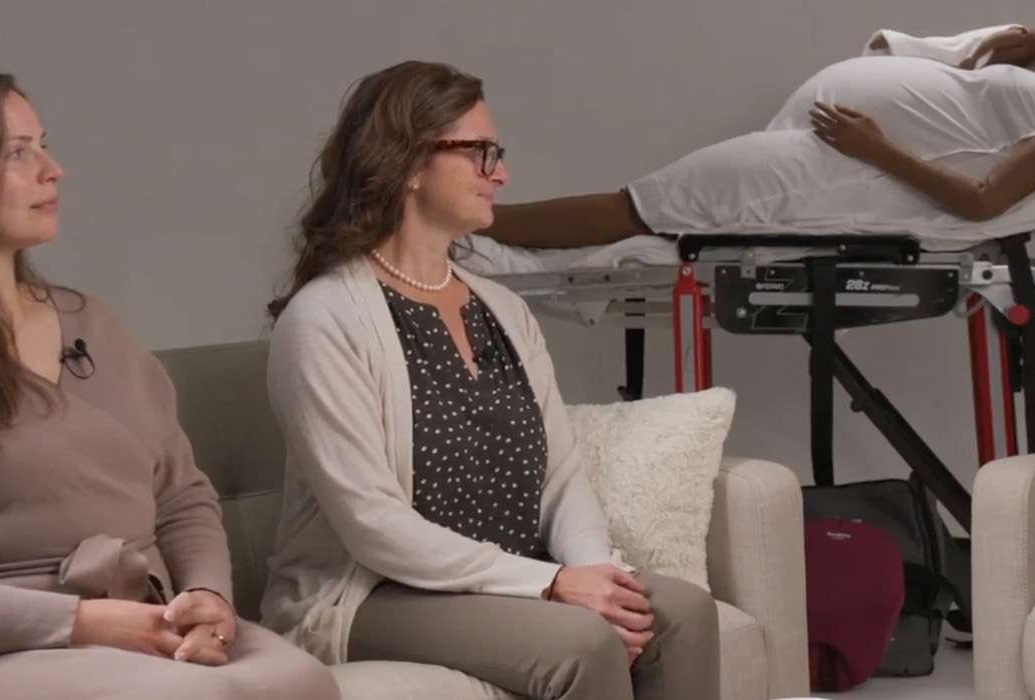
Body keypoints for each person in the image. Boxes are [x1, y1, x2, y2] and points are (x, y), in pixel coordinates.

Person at [0, 69, 339, 699]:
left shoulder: (95, 324)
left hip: (137, 620)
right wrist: (82, 623)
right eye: (18, 153)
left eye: (44, 143)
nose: (52, 169)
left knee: (301, 682)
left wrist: (207, 597)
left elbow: (182, 498)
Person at [259, 60, 719, 700]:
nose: (500, 175)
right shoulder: (326, 319)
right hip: (380, 594)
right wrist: (551, 585)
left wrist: (591, 569)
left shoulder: (503, 310)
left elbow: (560, 477)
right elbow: (373, 525)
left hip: (514, 577)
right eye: (479, 154)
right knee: (582, 644)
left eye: (495, 154)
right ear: (410, 163)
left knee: (685, 614)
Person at [480, 8, 1035, 248]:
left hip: (837, 169)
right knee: (647, 208)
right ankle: (471, 229)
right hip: (822, 150)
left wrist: (875, 148)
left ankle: (474, 227)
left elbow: (984, 200)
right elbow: (983, 113)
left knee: (637, 205)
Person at [865, 21, 1035, 76]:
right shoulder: (1027, 37)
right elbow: (994, 40)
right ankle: (891, 42)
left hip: (981, 66)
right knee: (938, 50)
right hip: (974, 53)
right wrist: (974, 56)